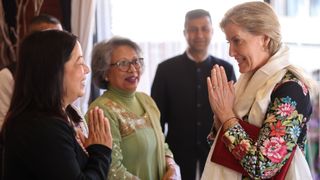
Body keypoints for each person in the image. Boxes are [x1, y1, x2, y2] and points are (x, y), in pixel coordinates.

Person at [201, 2, 317, 179]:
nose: (231, 52)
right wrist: (220, 118)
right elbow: (218, 147)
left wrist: (226, 115)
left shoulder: (290, 89)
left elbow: (261, 167)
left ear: (265, 39)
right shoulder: (246, 83)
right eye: (228, 42)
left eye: (237, 41)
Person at [0, 30, 112, 179]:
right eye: (79, 62)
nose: (86, 69)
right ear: (54, 71)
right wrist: (101, 152)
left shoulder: (63, 114)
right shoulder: (40, 127)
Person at [151, 9, 236, 180]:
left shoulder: (226, 68)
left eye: (204, 28)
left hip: (216, 153)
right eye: (193, 29)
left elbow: (235, 113)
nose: (199, 34)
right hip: (176, 154)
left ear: (212, 31)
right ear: (185, 33)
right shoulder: (166, 69)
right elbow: (156, 120)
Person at [88, 36, 181, 180]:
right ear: (105, 72)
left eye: (136, 62)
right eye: (123, 63)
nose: (132, 69)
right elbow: (112, 171)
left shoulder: (147, 101)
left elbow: (162, 146)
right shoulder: (101, 111)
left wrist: (172, 167)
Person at [0, 14, 63, 127]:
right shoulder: (7, 76)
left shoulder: (61, 74)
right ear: (34, 43)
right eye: (53, 40)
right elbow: (2, 124)